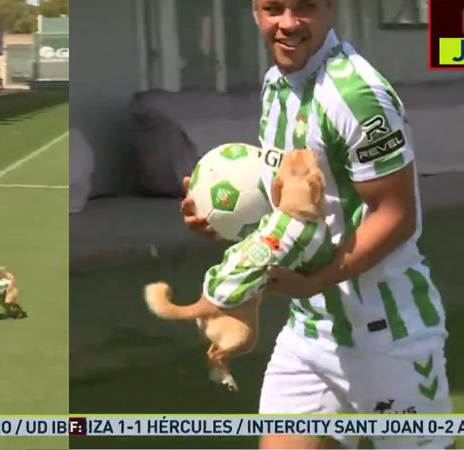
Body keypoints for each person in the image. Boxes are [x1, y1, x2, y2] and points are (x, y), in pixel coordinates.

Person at [180, 1, 451, 448]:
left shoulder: (357, 93)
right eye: (273, 8)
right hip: (309, 334)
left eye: (305, 6)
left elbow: (396, 215)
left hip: (389, 338)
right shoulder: (275, 87)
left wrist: (318, 279)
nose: (287, 23)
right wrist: (226, 220)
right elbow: (293, 206)